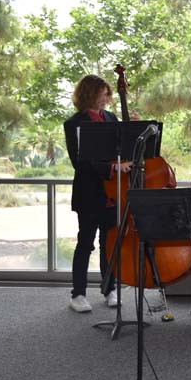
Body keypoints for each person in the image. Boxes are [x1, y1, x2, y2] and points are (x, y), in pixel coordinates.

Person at [64, 74, 133, 313]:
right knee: (85, 243)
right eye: (102, 94)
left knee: (109, 244)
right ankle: (78, 295)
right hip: (89, 193)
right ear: (90, 94)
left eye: (107, 95)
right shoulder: (74, 123)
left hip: (113, 193)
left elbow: (123, 151)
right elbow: (79, 163)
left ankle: (109, 289)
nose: (106, 99)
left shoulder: (111, 118)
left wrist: (133, 129)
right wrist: (112, 167)